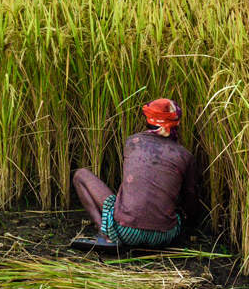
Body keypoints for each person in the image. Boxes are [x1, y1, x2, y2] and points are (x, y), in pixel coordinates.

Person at [74, 98, 198, 248]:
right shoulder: (185, 155)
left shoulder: (132, 142)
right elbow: (190, 200)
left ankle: (104, 233)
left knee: (80, 175)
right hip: (164, 236)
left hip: (126, 232)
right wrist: (189, 225)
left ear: (148, 119)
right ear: (176, 123)